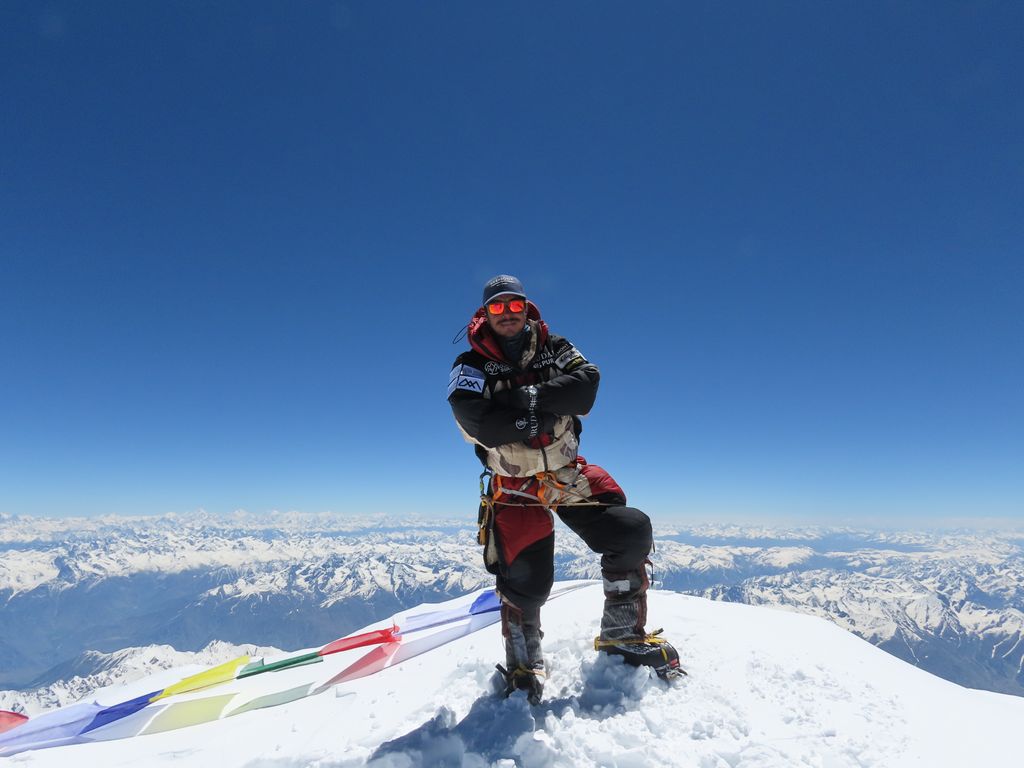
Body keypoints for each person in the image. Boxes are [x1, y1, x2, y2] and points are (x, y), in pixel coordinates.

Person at [447, 274, 681, 703]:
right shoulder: (470, 364)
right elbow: (477, 422)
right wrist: (540, 413)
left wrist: (525, 400)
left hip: (564, 474)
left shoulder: (554, 347)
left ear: (526, 307)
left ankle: (620, 634)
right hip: (513, 485)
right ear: (484, 314)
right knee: (525, 581)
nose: (507, 314)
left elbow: (586, 387)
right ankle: (524, 661)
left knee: (629, 531)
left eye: (514, 305)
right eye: (497, 307)